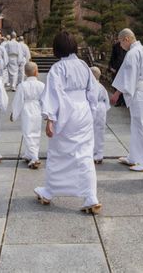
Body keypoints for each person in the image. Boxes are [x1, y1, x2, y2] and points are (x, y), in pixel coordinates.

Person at [35, 31, 101, 214]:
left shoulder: (58, 68)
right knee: (85, 153)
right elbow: (93, 91)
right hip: (84, 111)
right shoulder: (84, 65)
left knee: (58, 153)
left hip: (66, 112)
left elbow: (53, 94)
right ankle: (91, 196)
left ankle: (49, 191)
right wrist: (91, 111)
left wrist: (50, 118)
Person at [111, 28, 143, 172]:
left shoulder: (132, 53)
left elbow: (128, 77)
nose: (120, 45)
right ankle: (135, 156)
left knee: (141, 124)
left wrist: (117, 93)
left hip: (139, 91)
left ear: (126, 39)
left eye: (120, 42)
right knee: (141, 124)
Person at [12, 61, 45, 169]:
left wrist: (14, 114)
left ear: (25, 73)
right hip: (37, 109)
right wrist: (46, 113)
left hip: (27, 108)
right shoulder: (41, 85)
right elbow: (45, 100)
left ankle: (34, 158)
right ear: (36, 72)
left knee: (28, 132)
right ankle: (29, 154)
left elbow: (18, 101)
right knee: (36, 132)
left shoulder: (22, 85)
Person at [90, 66, 111, 164]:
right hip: (102, 107)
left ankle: (94, 152)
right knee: (100, 131)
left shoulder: (92, 86)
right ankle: (99, 153)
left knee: (92, 131)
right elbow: (107, 101)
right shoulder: (102, 86)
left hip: (95, 107)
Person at [109, 37, 127, 106]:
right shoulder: (115, 46)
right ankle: (119, 100)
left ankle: (124, 101)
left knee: (124, 84)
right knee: (116, 84)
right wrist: (111, 66)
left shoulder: (129, 47)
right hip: (116, 67)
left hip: (124, 67)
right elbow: (113, 57)